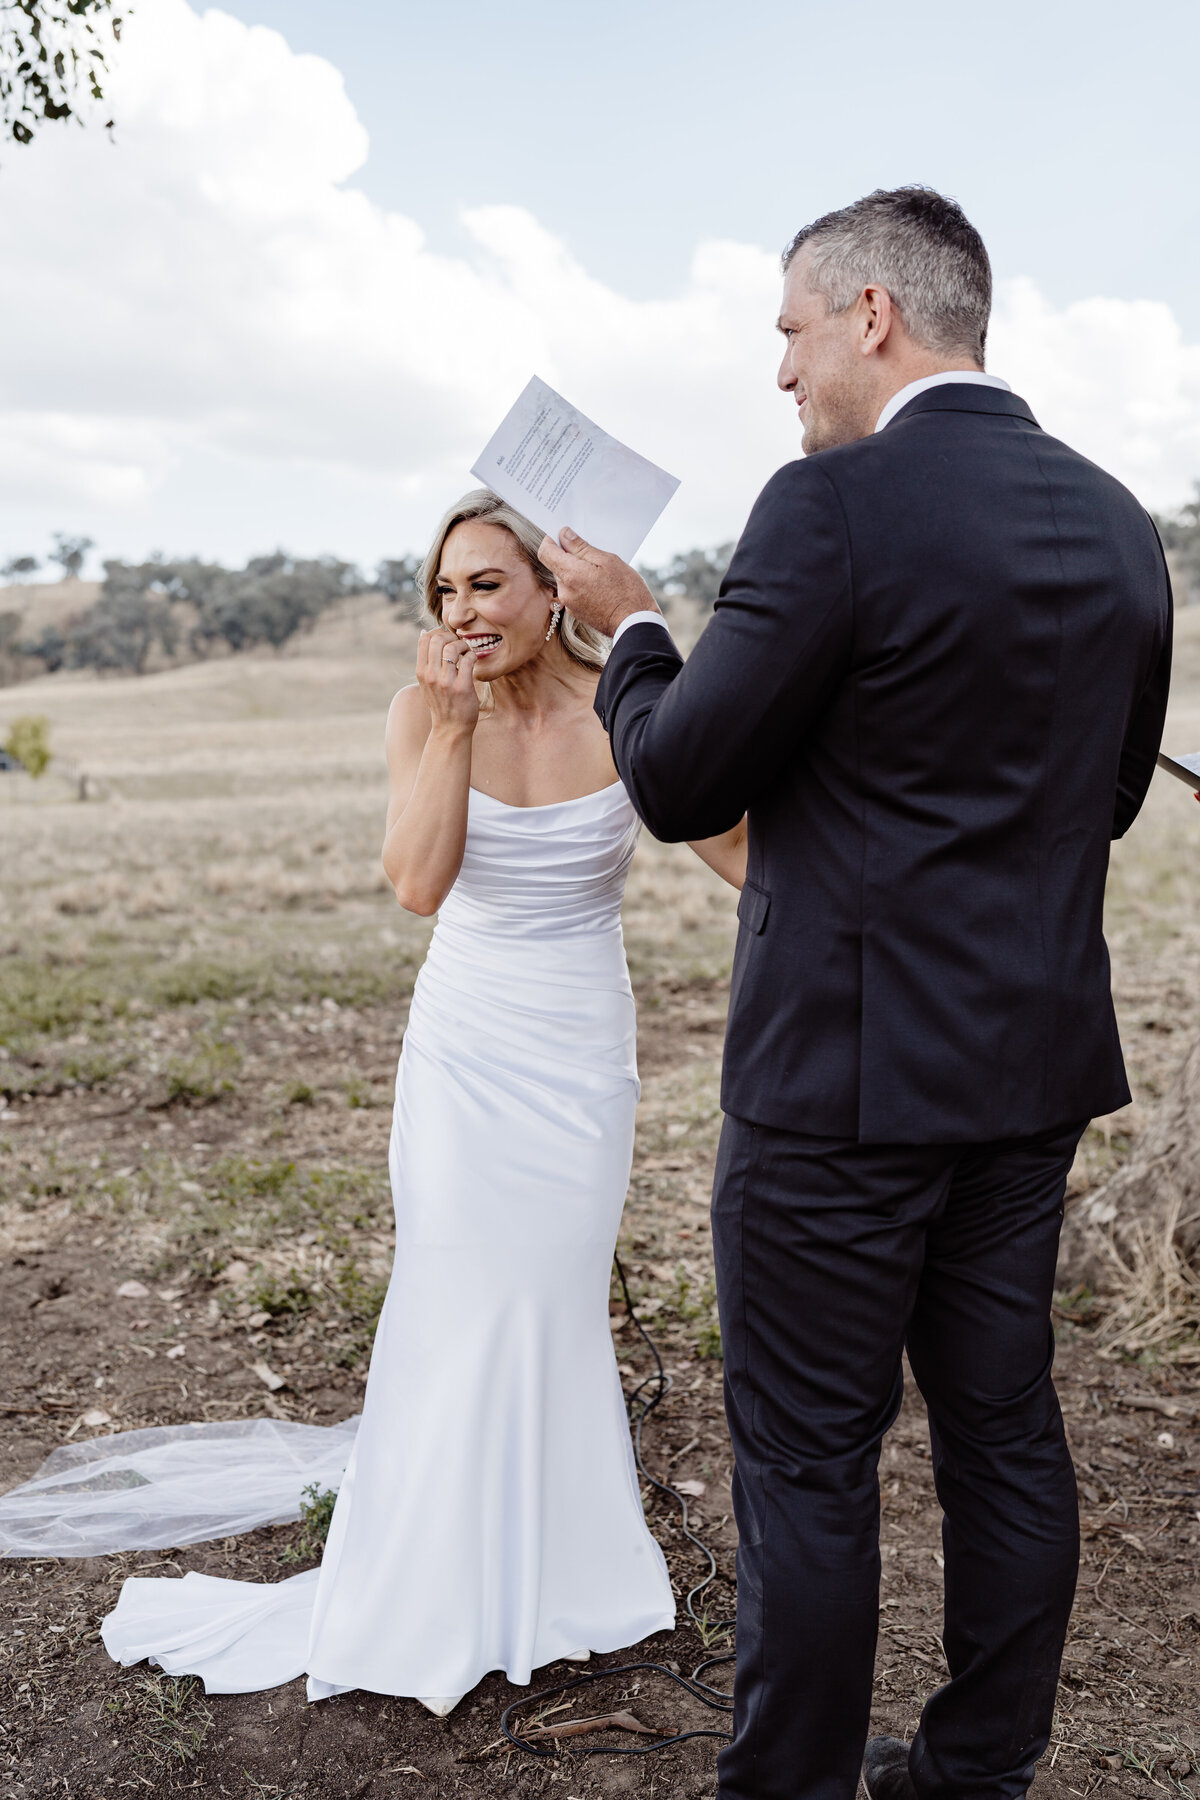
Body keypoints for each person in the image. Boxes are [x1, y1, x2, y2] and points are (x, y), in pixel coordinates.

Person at [539, 187, 1172, 1800]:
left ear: (873, 316)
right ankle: (976, 1775)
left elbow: (679, 776)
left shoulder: (828, 508)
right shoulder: (1118, 524)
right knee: (1005, 1429)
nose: (784, 375)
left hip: (839, 1097)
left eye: (790, 332)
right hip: (1029, 1076)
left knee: (812, 1466)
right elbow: (1101, 799)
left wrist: (636, 631)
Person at [92, 489, 745, 1714]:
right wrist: (449, 732)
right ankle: (432, 1574)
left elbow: (746, 850)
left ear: (557, 589)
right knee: (455, 1296)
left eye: (488, 584)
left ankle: (561, 1566)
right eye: (445, 591)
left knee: (550, 1304)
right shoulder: (419, 710)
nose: (464, 611)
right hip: (464, 1057)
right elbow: (415, 884)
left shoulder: (628, 711)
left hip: (579, 1057)